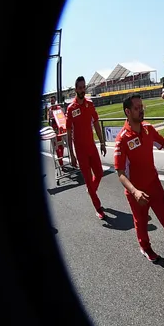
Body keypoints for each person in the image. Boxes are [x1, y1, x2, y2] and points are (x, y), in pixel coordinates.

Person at [112, 94, 164, 266]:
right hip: (136, 192)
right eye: (137, 108)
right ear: (127, 112)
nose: (141, 110)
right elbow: (120, 173)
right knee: (141, 223)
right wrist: (134, 192)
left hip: (154, 185)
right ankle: (145, 247)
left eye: (142, 106)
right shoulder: (122, 139)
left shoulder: (148, 129)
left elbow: (163, 143)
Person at [64, 76, 109, 219]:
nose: (82, 90)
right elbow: (69, 132)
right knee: (88, 179)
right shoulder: (71, 108)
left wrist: (102, 142)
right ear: (75, 89)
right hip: (80, 150)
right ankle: (98, 207)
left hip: (91, 146)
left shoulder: (90, 104)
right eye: (80, 88)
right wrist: (71, 154)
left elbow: (96, 123)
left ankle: (91, 191)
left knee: (100, 173)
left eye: (84, 87)